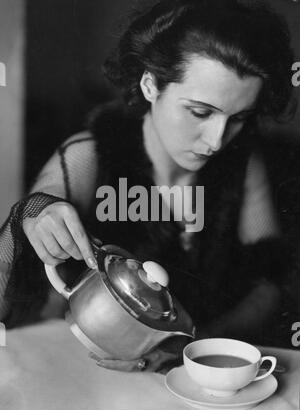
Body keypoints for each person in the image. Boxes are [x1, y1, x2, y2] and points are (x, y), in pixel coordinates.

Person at [0, 0, 295, 372]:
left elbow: (268, 282)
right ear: (151, 84)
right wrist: (36, 212)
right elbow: (39, 206)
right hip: (88, 367)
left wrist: (190, 347)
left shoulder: (243, 163)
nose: (218, 140)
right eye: (200, 112)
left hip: (191, 370)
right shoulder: (91, 153)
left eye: (239, 118)